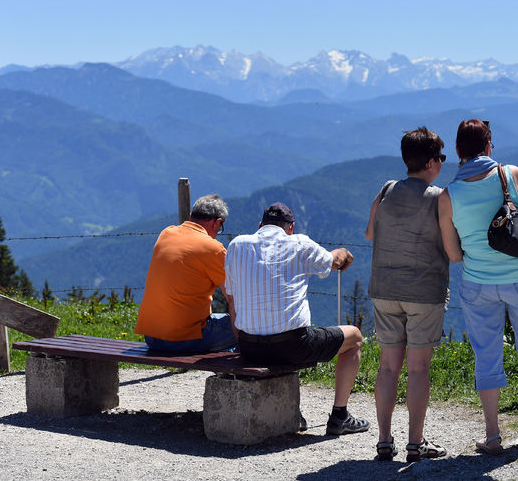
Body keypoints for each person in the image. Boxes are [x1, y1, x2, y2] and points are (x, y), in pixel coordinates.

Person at [438, 119, 518, 454]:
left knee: (486, 354)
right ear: (489, 146)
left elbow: (454, 254)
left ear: (458, 151)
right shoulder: (511, 175)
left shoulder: (448, 196)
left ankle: (492, 434)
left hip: (478, 284)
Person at [223, 202, 369, 436]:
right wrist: (342, 253)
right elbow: (333, 261)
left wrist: (242, 342)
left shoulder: (236, 245)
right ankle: (340, 416)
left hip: (250, 346)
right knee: (355, 337)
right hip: (293, 345)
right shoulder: (300, 243)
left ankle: (289, 412)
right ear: (290, 227)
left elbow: (229, 297)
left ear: (260, 225)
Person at [365, 127, 449, 462]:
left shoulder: (386, 189)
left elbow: (370, 232)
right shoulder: (439, 197)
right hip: (424, 292)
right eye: (441, 158)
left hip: (383, 288)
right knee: (418, 369)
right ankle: (415, 444)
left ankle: (384, 440)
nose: (442, 163)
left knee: (387, 367)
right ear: (430, 162)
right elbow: (450, 245)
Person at [135, 194, 237, 353]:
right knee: (249, 327)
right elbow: (233, 297)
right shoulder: (214, 248)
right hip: (183, 339)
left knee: (220, 321)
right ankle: (236, 373)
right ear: (217, 223)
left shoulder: (166, 233)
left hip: (152, 338)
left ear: (190, 216)